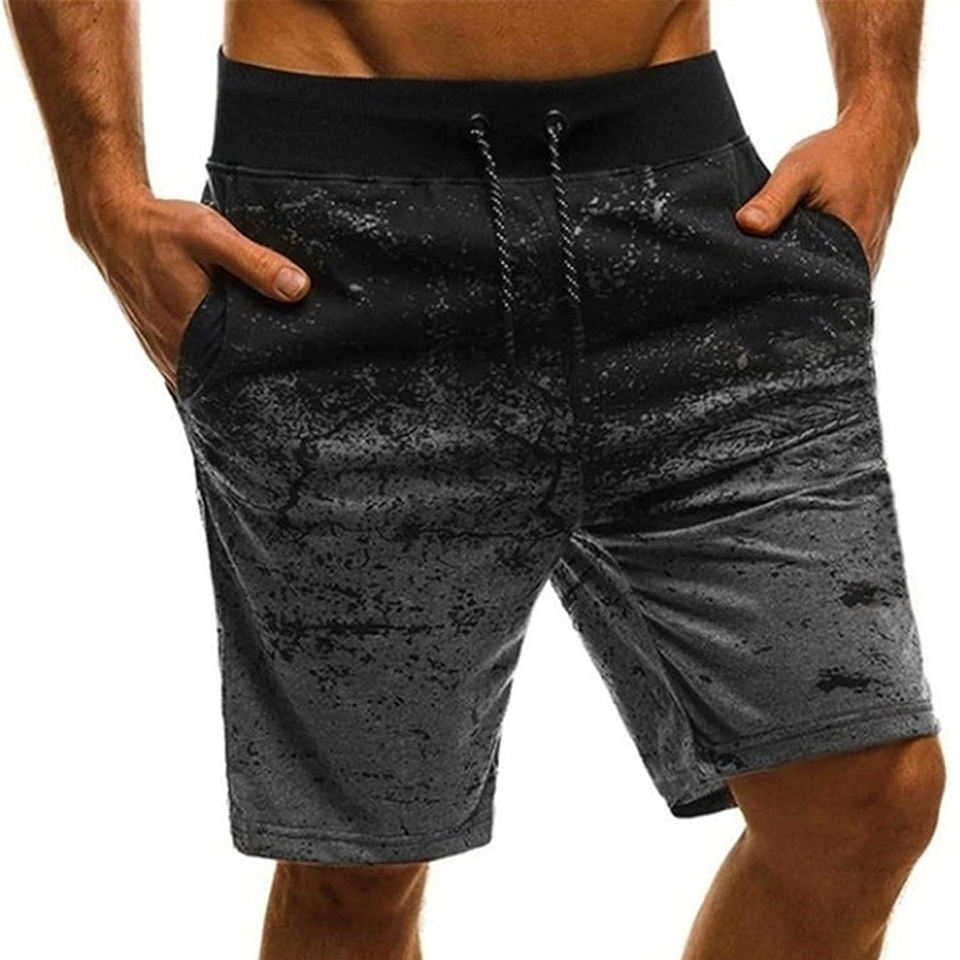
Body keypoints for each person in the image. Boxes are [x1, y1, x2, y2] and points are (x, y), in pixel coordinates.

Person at [4, 2, 946, 958]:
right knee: (356, 873)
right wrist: (100, 188)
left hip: (694, 215)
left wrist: (882, 101)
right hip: (341, 243)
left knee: (867, 793)